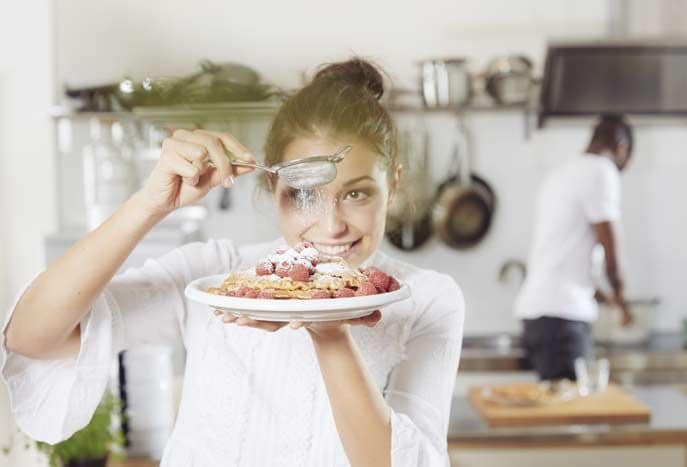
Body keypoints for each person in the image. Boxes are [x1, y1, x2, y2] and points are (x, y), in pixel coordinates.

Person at [1, 58, 464, 467]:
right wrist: (150, 204)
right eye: (303, 194)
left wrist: (328, 325)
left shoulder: (426, 299)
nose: (332, 225)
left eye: (357, 193)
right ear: (271, 189)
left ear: (394, 184)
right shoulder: (217, 274)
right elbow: (29, 336)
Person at [514, 114, 633, 381]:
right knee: (571, 415)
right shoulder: (601, 170)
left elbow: (568, 258)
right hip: (563, 321)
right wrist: (624, 302)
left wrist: (605, 298)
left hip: (539, 317)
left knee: (559, 412)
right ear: (621, 148)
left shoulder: (561, 174)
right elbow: (612, 250)